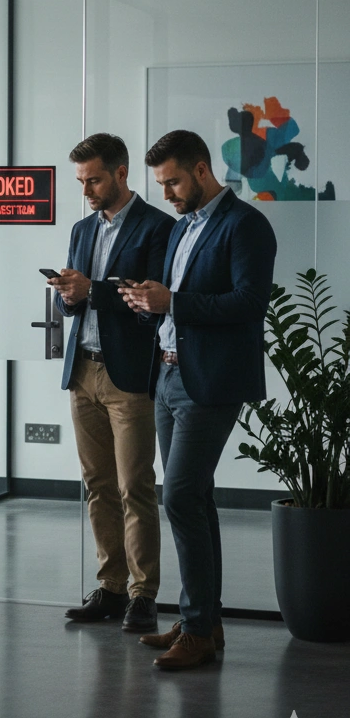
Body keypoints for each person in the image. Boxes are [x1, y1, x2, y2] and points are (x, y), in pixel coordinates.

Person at [121, 130, 276, 670]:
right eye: (160, 184)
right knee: (196, 500)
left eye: (172, 182)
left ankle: (195, 627)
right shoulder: (184, 228)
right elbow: (176, 304)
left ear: (202, 170)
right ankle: (205, 626)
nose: (166, 193)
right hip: (166, 378)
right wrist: (148, 302)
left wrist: (176, 302)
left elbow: (251, 301)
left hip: (209, 381)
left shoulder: (246, 224)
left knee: (179, 497)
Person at [50, 133, 175, 633]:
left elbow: (151, 305)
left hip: (128, 376)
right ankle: (111, 586)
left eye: (94, 179)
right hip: (83, 369)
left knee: (134, 487)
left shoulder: (158, 228)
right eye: (81, 181)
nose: (87, 190)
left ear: (122, 173)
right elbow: (73, 303)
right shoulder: (82, 230)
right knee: (97, 485)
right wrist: (68, 294)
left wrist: (93, 291)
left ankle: (143, 595)